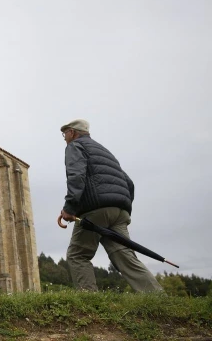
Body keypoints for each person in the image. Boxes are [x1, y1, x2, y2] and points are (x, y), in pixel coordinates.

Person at [59, 119, 162, 292]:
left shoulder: (74, 146)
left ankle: (90, 304)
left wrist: (69, 208)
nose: (64, 138)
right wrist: (120, 206)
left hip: (96, 210)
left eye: (65, 134)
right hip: (120, 210)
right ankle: (158, 299)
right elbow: (129, 183)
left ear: (72, 132)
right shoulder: (104, 151)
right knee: (126, 256)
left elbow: (76, 176)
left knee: (78, 255)